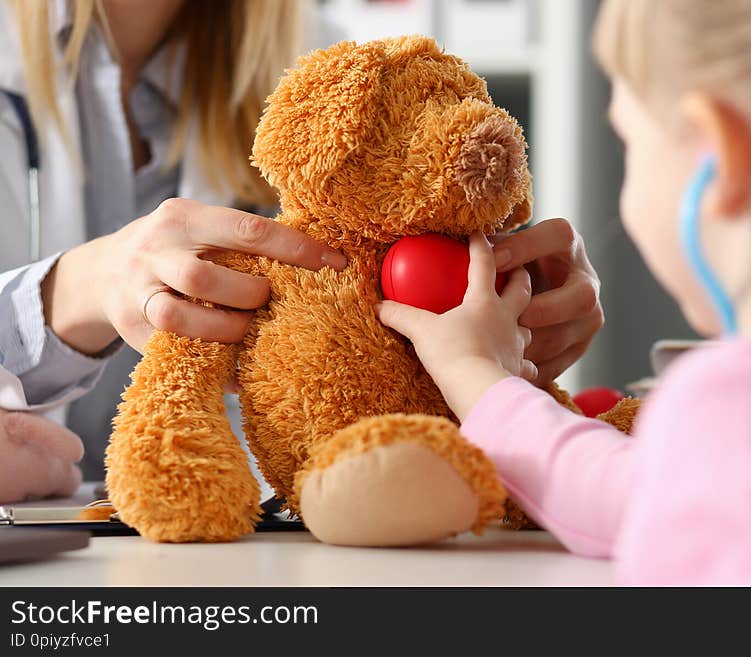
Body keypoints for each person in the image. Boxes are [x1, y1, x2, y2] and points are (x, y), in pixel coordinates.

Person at [0, 0, 603, 503]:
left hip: (278, 537)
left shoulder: (323, 67)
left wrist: (502, 279)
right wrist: (74, 289)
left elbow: (389, 252)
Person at [376, 0, 751, 586]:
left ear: (718, 155)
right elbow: (631, 491)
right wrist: (480, 377)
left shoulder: (749, 407)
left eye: (628, 144)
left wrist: (470, 366)